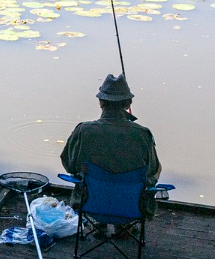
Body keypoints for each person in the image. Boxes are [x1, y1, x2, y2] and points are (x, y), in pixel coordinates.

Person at [60, 74, 160, 213]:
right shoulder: (143, 134)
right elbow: (152, 170)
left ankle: (98, 219)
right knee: (155, 170)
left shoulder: (83, 130)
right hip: (132, 208)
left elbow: (69, 165)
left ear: (101, 102)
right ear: (128, 103)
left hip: (89, 205)